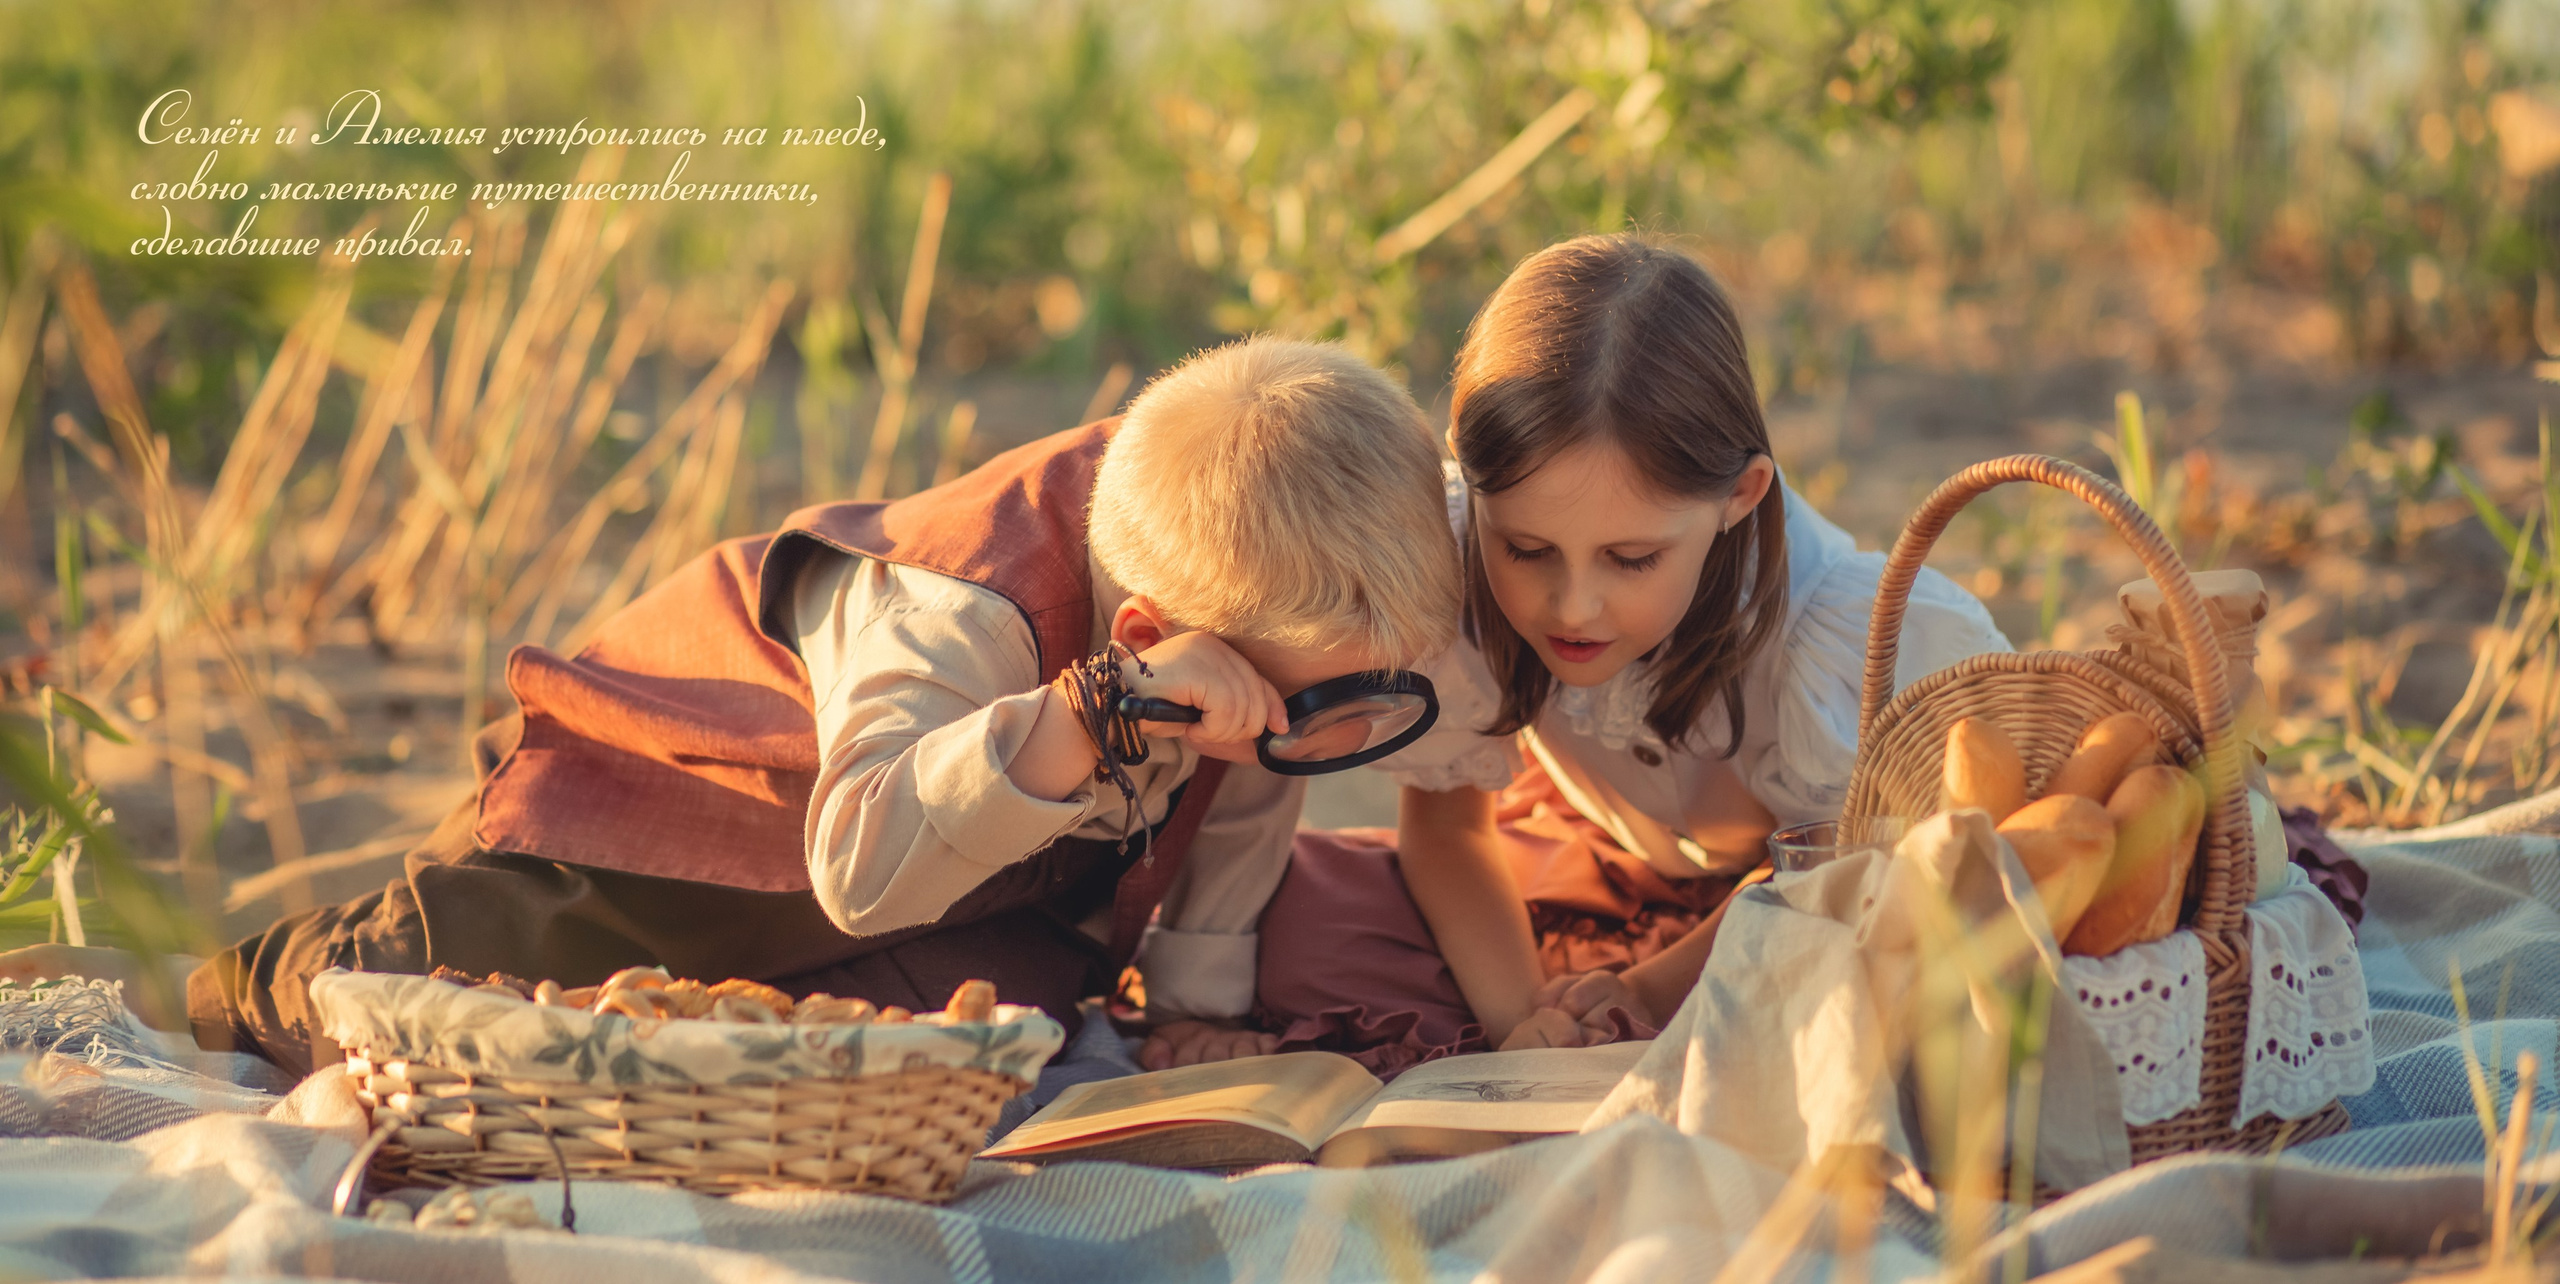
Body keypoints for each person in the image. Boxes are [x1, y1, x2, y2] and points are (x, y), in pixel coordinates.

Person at [1, 337, 1463, 1078]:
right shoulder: (961, 606)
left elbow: (1254, 787)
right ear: (1152, 642)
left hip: (972, 868)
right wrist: (1085, 712)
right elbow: (860, 858)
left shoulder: (1268, 587)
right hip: (691, 809)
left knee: (1007, 1007)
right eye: (1313, 708)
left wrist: (1199, 1011)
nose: (1328, 742)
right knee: (447, 976)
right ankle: (189, 988)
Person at [1253, 235, 2012, 1061]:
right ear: (1474, 486)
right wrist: (1522, 1022)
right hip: (1586, 864)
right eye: (1528, 550)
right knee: (1300, 924)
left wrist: (1648, 991)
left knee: (1870, 967)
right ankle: (1582, 1010)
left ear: (1740, 495)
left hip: (1774, 902)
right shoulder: (1449, 559)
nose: (1572, 606)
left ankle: (1636, 1009)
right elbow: (1451, 835)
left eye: (1632, 559)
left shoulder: (1831, 628)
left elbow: (1842, 876)